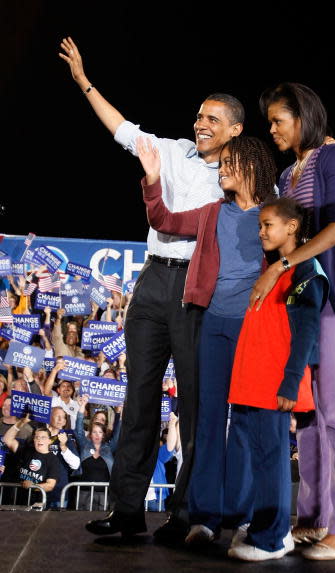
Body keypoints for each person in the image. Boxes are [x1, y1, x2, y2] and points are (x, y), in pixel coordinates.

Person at [59, 37, 244, 540]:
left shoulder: (236, 180)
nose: (199, 124)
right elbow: (120, 127)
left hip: (195, 292)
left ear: (234, 129)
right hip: (151, 284)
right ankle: (127, 512)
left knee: (194, 405)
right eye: (198, 116)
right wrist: (84, 81)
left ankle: (186, 514)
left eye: (211, 119)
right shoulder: (170, 150)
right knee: (139, 399)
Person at [250, 82, 335, 560]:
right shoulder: (288, 174)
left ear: (302, 116)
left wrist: (282, 266)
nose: (274, 130)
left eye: (279, 120)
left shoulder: (333, 157)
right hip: (304, 296)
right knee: (308, 411)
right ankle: (313, 517)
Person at [137, 134, 278, 546]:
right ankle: (205, 518)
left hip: (252, 330)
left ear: (252, 167)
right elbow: (163, 220)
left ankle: (247, 517)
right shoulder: (212, 213)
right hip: (213, 325)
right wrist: (153, 179)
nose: (223, 168)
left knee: (248, 425)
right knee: (209, 420)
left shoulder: (274, 214)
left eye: (232, 162)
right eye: (223, 163)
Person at [226, 197, 328, 562]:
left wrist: (289, 382)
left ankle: (272, 537)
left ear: (292, 227)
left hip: (273, 385)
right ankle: (259, 526)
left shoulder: (305, 271)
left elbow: (306, 331)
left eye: (268, 224)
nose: (262, 231)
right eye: (260, 225)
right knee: (251, 460)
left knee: (270, 460)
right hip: (250, 384)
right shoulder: (268, 269)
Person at [73, 396, 121, 510]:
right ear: (90, 433)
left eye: (100, 432)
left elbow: (117, 433)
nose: (97, 434)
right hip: (83, 491)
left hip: (103, 493)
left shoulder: (109, 447)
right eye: (94, 432)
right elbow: (78, 431)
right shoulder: (85, 444)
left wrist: (119, 413)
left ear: (104, 434)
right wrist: (82, 407)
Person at [2, 415, 61, 506]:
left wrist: (33, 486)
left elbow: (50, 485)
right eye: (36, 437)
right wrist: (20, 423)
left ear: (50, 441)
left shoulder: (53, 460)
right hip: (14, 499)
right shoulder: (26, 451)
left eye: (43, 437)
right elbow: (7, 439)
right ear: (33, 440)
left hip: (35, 503)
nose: (39, 440)